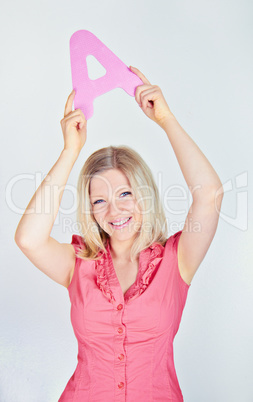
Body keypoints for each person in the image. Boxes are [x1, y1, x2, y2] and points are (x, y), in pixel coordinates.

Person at [14, 66, 224, 401]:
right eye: (100, 200)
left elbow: (210, 193)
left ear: (144, 193)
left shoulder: (177, 259)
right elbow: (28, 239)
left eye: (125, 194)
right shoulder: (77, 264)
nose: (114, 211)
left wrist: (166, 118)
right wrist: (70, 151)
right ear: (90, 209)